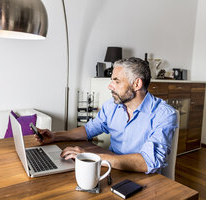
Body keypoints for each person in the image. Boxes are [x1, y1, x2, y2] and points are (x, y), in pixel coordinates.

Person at [36, 57, 177, 174]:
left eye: (116, 81)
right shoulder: (112, 105)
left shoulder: (164, 115)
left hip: (142, 179)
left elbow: (147, 162)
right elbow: (89, 130)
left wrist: (90, 157)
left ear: (137, 84)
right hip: (112, 169)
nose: (110, 86)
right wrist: (56, 136)